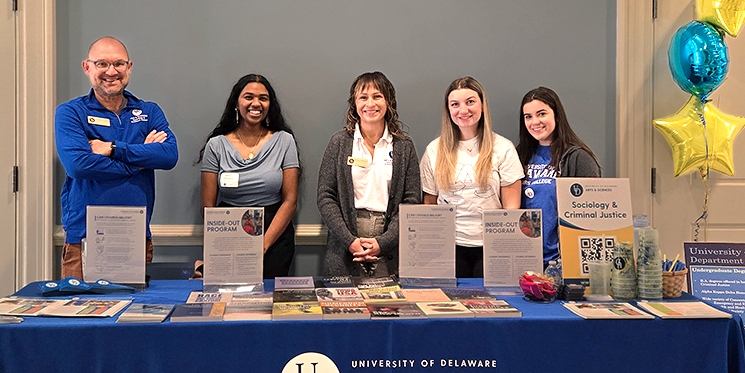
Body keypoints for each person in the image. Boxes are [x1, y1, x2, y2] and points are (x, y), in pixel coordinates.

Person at [55, 37, 177, 280]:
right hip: (85, 238)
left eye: (118, 64)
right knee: (85, 314)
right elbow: (79, 165)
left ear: (129, 67)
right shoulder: (71, 112)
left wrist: (112, 148)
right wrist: (140, 160)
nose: (111, 72)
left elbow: (169, 155)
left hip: (135, 237)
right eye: (102, 64)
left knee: (136, 315)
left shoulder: (149, 111)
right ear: (87, 67)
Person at [317, 71, 423, 277]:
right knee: (347, 307)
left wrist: (383, 242)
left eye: (377, 96)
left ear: (388, 102)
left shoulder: (404, 146)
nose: (370, 104)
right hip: (345, 244)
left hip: (390, 246)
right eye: (363, 97)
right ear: (354, 104)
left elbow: (411, 200)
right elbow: (325, 196)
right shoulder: (339, 143)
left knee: (387, 308)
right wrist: (350, 241)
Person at [420, 76, 524, 278]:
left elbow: (511, 209)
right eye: (455, 104)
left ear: (482, 105)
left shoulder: (503, 148)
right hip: (448, 248)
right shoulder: (433, 150)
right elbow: (430, 204)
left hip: (492, 249)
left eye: (470, 102)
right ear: (448, 110)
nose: (463, 110)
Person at [199, 74, 300, 278]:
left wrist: (262, 244)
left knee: (269, 303)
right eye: (249, 97)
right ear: (236, 103)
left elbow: (290, 201)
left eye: (263, 98)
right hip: (229, 233)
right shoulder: (216, 145)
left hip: (274, 235)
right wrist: (236, 241)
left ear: (270, 104)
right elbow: (207, 207)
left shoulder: (284, 141)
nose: (256, 103)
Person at [516, 86, 602, 265]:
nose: (534, 122)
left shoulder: (578, 158)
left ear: (556, 115)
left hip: (561, 262)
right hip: (525, 259)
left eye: (541, 114)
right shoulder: (518, 155)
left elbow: (592, 217)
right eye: (528, 116)